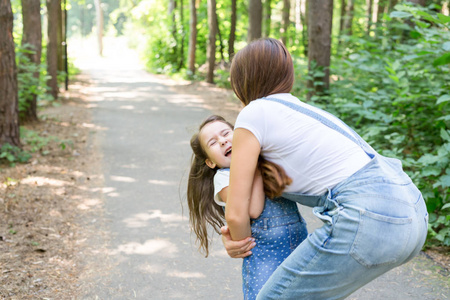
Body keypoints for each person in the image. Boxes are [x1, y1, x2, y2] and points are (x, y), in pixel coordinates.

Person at [222, 38, 428, 299]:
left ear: (242, 80)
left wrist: (240, 243)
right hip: (414, 214)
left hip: (371, 217)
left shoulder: (254, 113)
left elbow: (236, 213)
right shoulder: (305, 111)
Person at [187, 115, 308, 299]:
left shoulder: (265, 156)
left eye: (226, 133)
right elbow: (253, 210)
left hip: (299, 240)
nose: (222, 141)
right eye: (213, 142)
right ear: (210, 162)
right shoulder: (223, 178)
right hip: (266, 254)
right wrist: (256, 168)